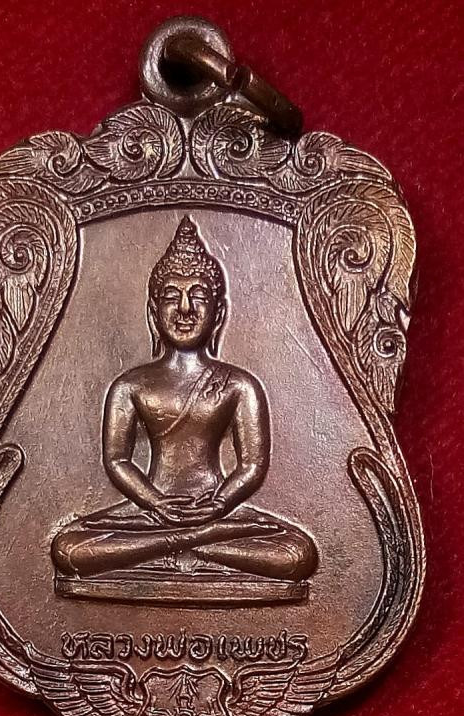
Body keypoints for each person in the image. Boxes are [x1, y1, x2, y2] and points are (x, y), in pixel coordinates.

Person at [52, 216, 317, 583]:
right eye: (171, 297)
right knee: (68, 548)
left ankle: (177, 545)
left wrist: (219, 504)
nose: (185, 308)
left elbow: (252, 465)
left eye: (199, 296)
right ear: (153, 313)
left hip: (218, 511)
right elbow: (117, 460)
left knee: (297, 554)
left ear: (218, 314)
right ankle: (194, 544)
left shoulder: (239, 385)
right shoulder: (131, 386)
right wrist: (155, 502)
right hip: (148, 512)